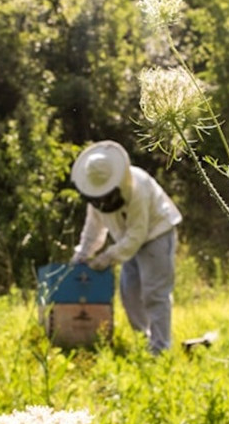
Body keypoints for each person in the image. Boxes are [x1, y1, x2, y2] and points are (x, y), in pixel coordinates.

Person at [69, 140, 182, 354]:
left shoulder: (138, 187)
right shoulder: (95, 193)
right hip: (126, 242)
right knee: (130, 293)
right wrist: (82, 255)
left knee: (154, 293)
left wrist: (107, 258)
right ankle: (143, 340)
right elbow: (93, 229)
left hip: (156, 234)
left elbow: (137, 233)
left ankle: (161, 349)